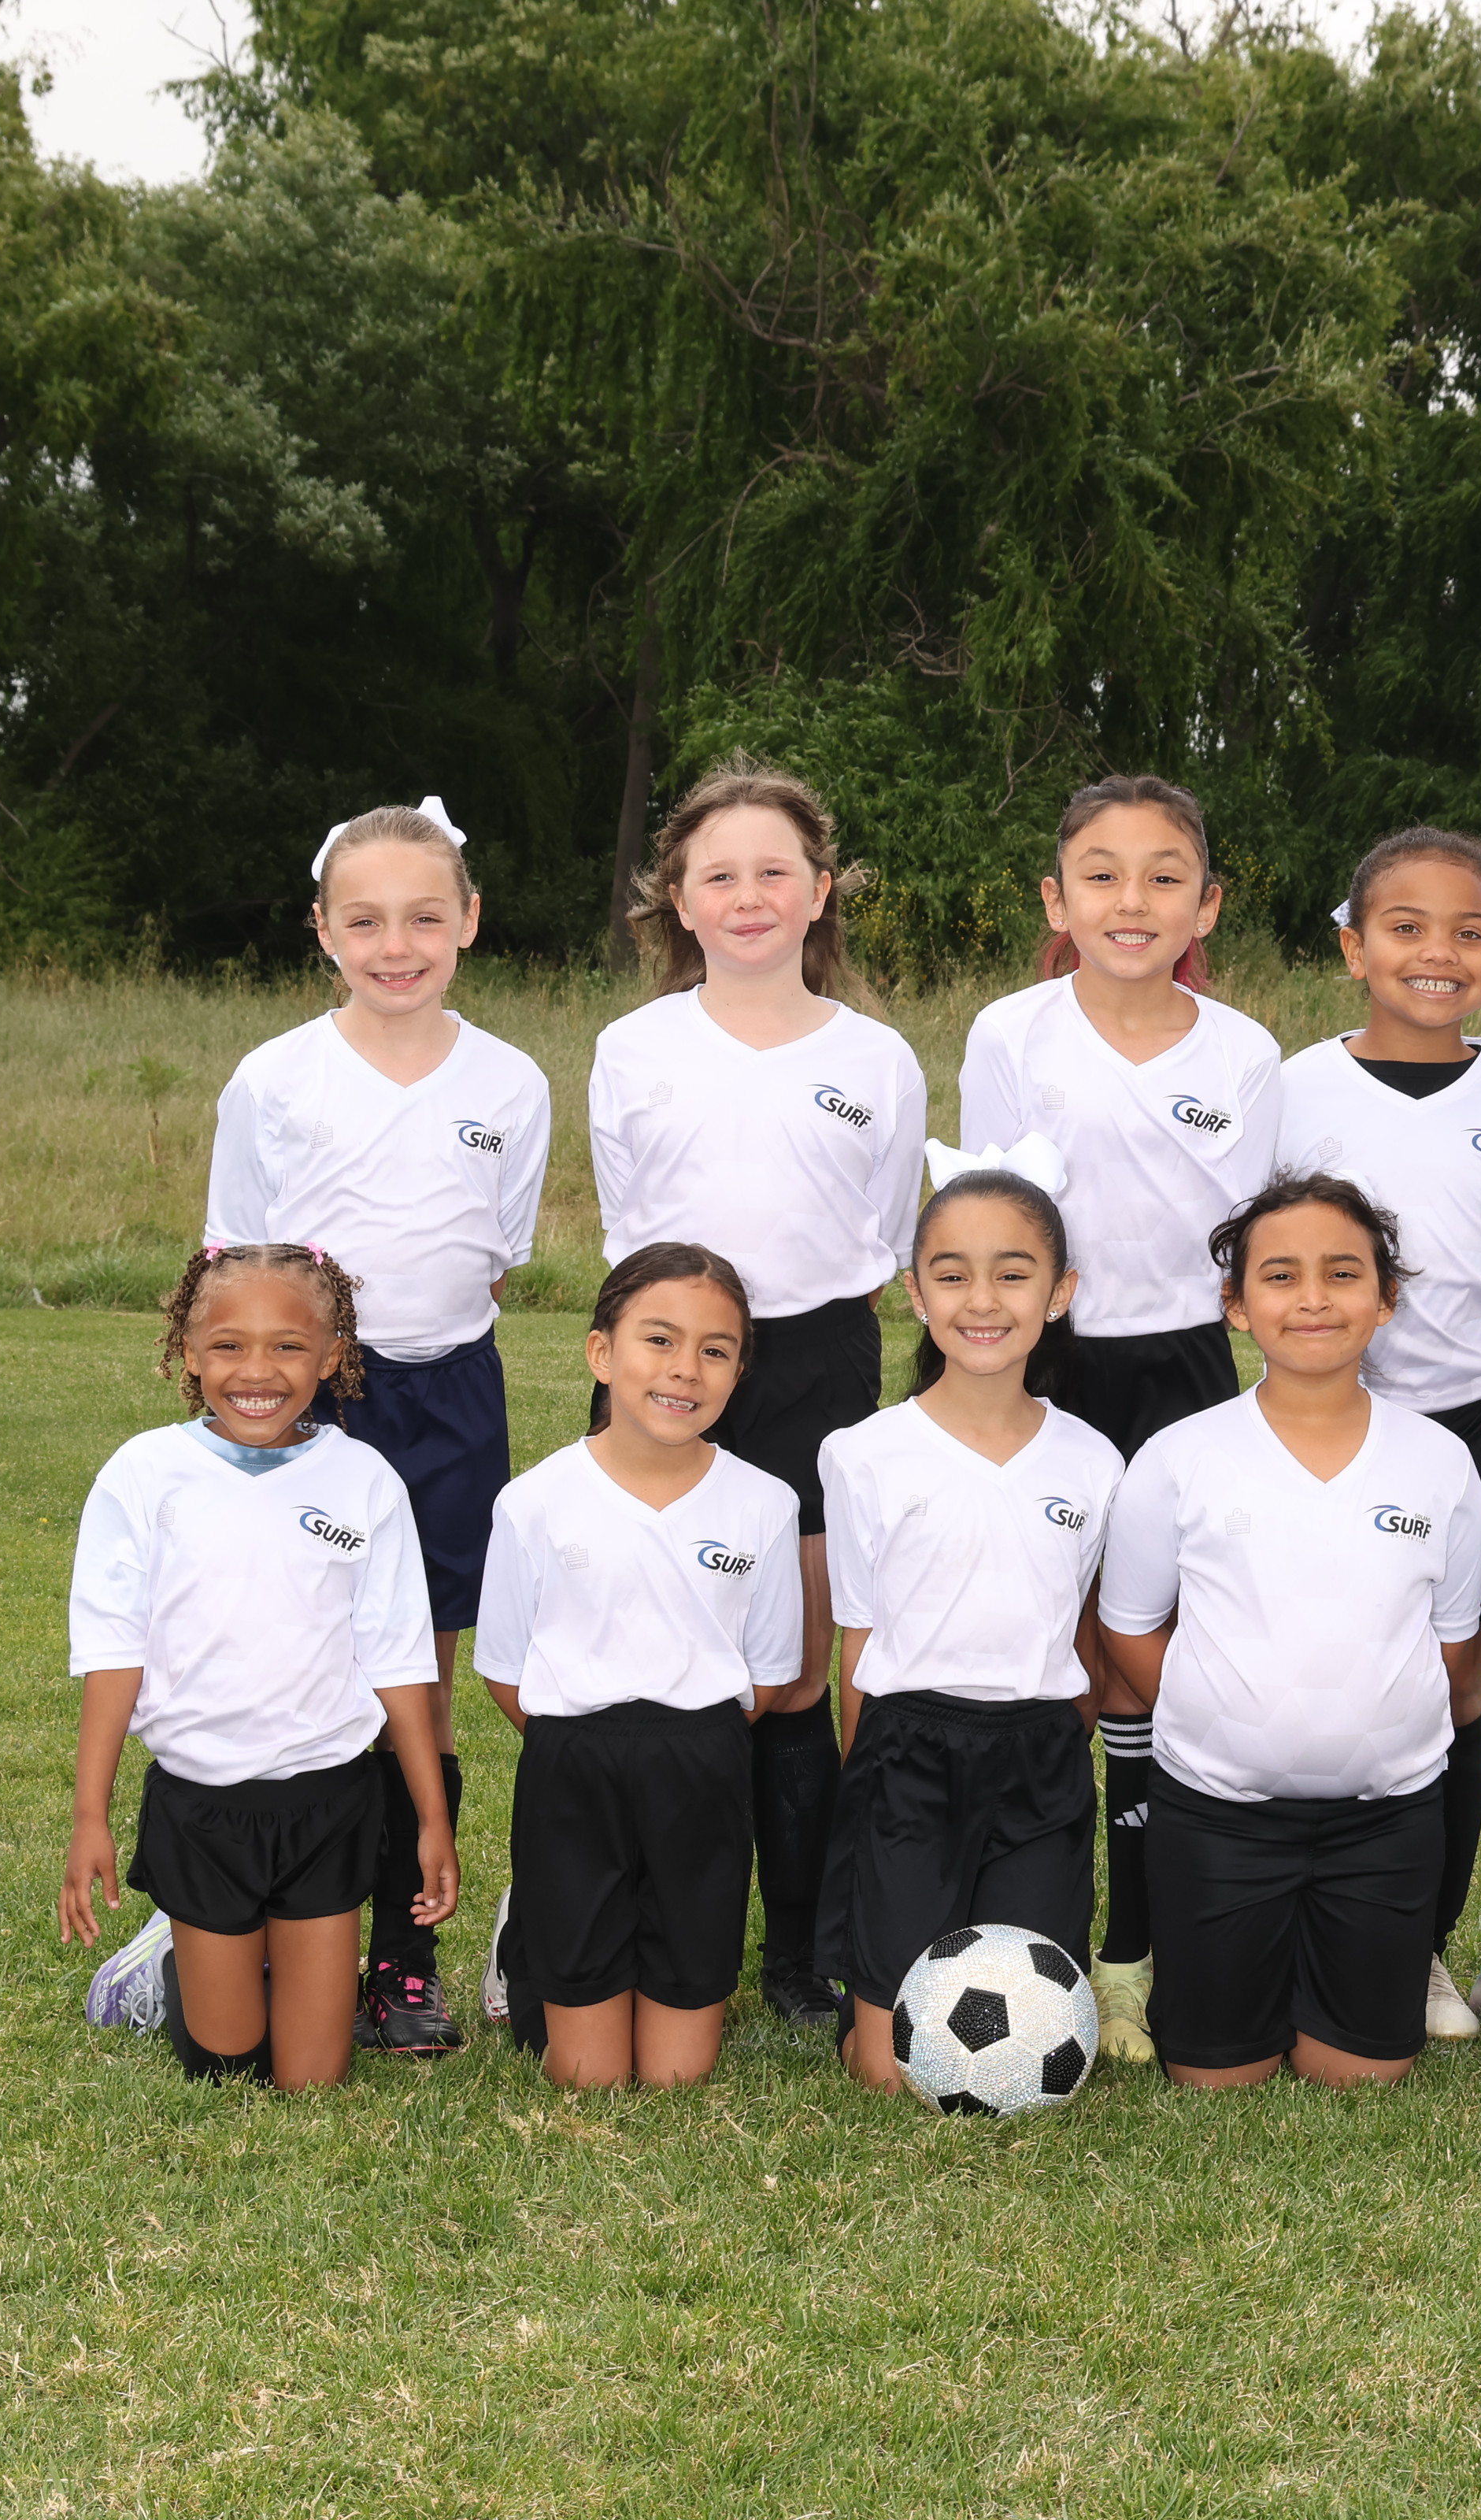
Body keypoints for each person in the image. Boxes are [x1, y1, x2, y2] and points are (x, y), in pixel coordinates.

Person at [204, 799, 551, 2057]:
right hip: (310, 1407)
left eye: (422, 917)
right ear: (322, 931)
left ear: (468, 920)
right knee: (294, 1666)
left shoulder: (512, 1081)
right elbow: (234, 1266)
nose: (395, 946)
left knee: (418, 1687)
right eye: (365, 921)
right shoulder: (275, 1079)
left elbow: (495, 1256)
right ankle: (252, 1920)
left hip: (450, 1398)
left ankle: (405, 1963)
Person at [586, 759, 924, 2031]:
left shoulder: (877, 1058)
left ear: (819, 890)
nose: (747, 896)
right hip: (669, 1357)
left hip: (820, 1361)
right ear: (677, 899)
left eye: (774, 871)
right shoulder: (633, 1049)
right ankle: (638, 1921)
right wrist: (670, 1345)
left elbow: (883, 1233)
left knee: (793, 1677)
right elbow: (632, 1220)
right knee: (655, 1656)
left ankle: (801, 1951)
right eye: (717, 875)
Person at [956, 773, 1283, 2064]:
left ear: (1207, 903)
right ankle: (1013, 1913)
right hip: (1044, 1366)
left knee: (1160, 1659)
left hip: (1186, 1371)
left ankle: (1145, 1944)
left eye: (1163, 875)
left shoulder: (1244, 1053)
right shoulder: (1011, 1034)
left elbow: (1254, 1242)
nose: (1130, 900)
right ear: (1058, 900)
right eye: (1101, 874)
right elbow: (990, 1221)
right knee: (1046, 1645)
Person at [1095, 1175, 1481, 2090]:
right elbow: (1129, 1626)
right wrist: (1219, 1711)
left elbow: (1453, 1649)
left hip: (1386, 1820)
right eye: (1280, 1275)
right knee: (1216, 2075)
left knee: (1361, 2072)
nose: (1313, 1297)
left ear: (1386, 1299)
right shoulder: (1180, 1457)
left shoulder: (1440, 1461)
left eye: (1343, 1273)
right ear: (1236, 1304)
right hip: (1216, 1814)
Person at [1275, 825, 1481, 2046]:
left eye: (1468, 931)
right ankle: (1297, 1918)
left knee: (1453, 1682)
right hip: (1339, 1413)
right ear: (1354, 949)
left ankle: (1419, 1945)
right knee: (1329, 1661)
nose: (1437, 953)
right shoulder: (1291, 1091)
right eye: (1406, 927)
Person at [57, 1243, 454, 2092]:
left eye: (288, 1345)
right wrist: (91, 1815)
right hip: (201, 1805)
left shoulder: (363, 1480)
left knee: (312, 2080)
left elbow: (398, 1659)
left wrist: (430, 1816)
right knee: (228, 2068)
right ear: (189, 1351)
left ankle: (278, 1955)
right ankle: (167, 1963)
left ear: (332, 1357)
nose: (257, 1371)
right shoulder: (145, 1474)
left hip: (327, 1799)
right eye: (229, 1345)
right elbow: (113, 1653)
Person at [813, 1143, 1121, 2092]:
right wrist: (867, 1791)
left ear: (1060, 1292)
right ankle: (864, 2006)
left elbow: (1084, 1631)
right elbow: (858, 1639)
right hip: (908, 1752)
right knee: (887, 2074)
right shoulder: (864, 1453)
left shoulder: (1094, 1461)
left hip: (1039, 1759)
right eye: (952, 1274)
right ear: (915, 1292)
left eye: (1013, 1274)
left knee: (1026, 2066)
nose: (982, 1299)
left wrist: (1061, 1741)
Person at [472, 1244, 803, 2091]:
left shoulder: (765, 1504)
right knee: (588, 2076)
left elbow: (769, 1675)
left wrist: (678, 1741)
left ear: (738, 1373)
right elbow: (505, 1669)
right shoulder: (534, 1501)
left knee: (675, 2075)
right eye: (659, 1339)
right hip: (572, 1768)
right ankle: (530, 1935)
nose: (685, 1368)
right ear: (601, 1352)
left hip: (703, 1767)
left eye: (715, 1350)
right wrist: (595, 1738)